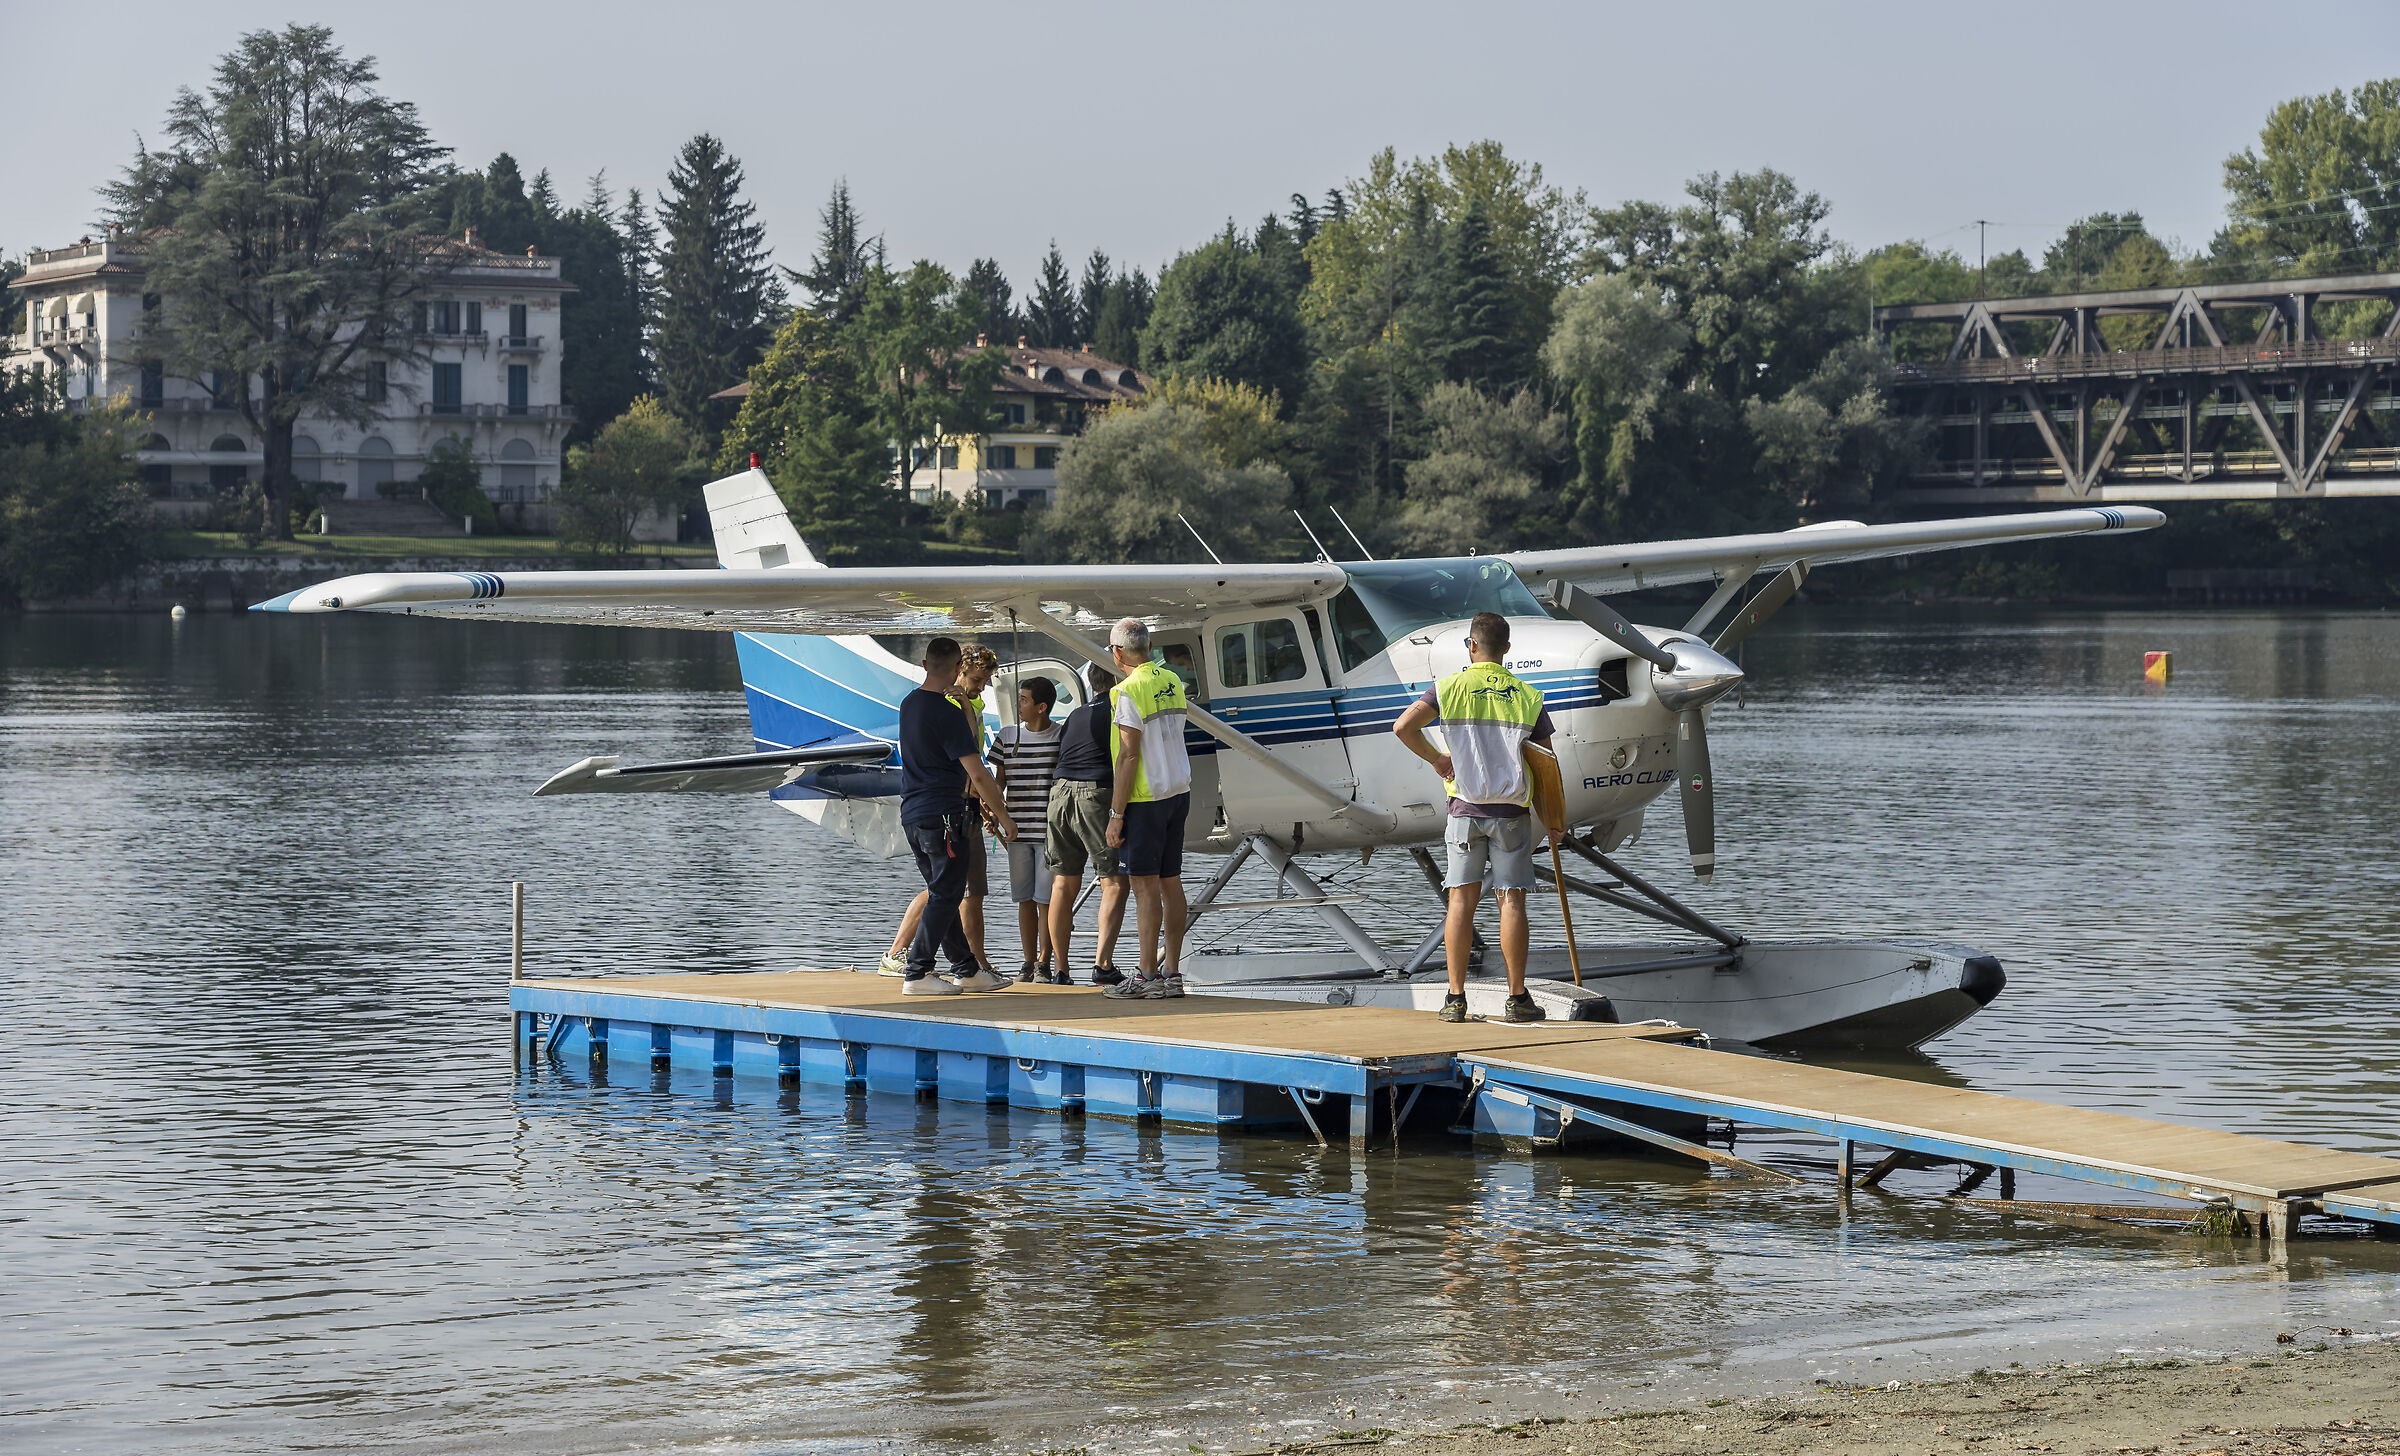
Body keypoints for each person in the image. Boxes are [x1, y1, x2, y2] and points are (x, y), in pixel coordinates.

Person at [1390, 611, 1560, 1024]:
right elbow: (1547, 766)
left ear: (1471, 647)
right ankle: (1517, 998)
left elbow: (1402, 728)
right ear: (1506, 649)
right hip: (1512, 813)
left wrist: (1437, 760)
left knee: (1461, 902)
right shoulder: (1527, 696)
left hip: (1464, 810)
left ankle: (1455, 999)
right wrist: (1554, 820)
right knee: (1512, 901)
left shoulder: (1447, 688)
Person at [895, 637, 1016, 994]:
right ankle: (917, 972)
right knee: (947, 895)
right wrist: (1005, 818)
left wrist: (964, 712)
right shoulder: (944, 711)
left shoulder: (910, 703)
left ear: (924, 663)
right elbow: (977, 772)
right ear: (956, 670)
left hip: (913, 814)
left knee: (941, 892)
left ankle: (967, 968)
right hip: (944, 815)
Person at [1102, 618, 1194, 1000]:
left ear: (1118, 651)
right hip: (1178, 791)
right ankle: (1172, 973)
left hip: (1144, 798)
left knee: (1143, 887)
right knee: (1170, 882)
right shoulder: (1172, 681)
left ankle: (1146, 975)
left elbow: (1128, 754)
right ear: (1149, 646)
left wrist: (1115, 814)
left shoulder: (1127, 690)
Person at [1046, 663, 1129, 985]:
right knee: (1114, 881)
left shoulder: (1077, 714)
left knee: (1063, 884)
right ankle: (1103, 965)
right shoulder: (1120, 709)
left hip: (1058, 794)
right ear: (1117, 678)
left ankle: (1060, 970)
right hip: (1095, 794)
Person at [990, 674, 1063, 982]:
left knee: (1045, 899)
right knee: (1024, 899)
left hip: (1050, 832)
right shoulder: (1007, 736)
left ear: (1041, 707)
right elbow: (998, 782)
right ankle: (1027, 961)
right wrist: (993, 813)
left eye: (1023, 700)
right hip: (1017, 830)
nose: (1018, 704)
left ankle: (1045, 962)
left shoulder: (1062, 736)